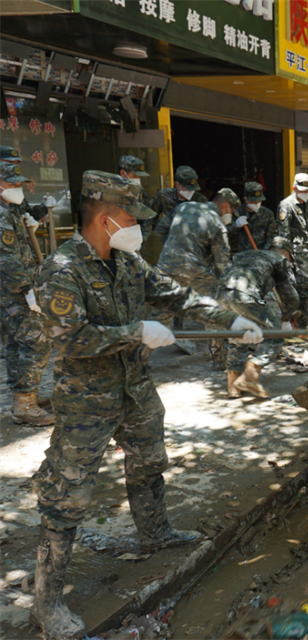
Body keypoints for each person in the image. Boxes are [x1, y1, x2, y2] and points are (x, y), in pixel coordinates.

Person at [29, 171, 263, 640]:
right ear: (105, 217)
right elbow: (69, 338)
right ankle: (47, 602)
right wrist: (134, 333)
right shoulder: (62, 268)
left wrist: (231, 319)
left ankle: (154, 534)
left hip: (134, 388)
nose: (137, 224)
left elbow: (177, 294)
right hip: (87, 401)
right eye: (130, 216)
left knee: (148, 461)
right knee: (66, 495)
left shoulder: (127, 262)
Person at [156, 191, 234, 369]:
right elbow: (222, 264)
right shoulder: (217, 225)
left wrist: (174, 248)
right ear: (225, 206)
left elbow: (160, 229)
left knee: (160, 317)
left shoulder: (184, 207)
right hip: (195, 271)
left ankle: (138, 363)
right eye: (231, 210)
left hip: (166, 267)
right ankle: (219, 361)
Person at [0, 163, 53, 425]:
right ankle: (24, 403)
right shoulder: (0, 215)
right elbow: (6, 260)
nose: (17, 187)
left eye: (19, 183)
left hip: (11, 288)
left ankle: (22, 397)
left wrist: (38, 214)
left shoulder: (9, 209)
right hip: (12, 289)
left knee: (16, 343)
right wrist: (27, 290)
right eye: (12, 183)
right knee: (37, 341)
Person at [218, 237, 301, 398]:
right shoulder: (279, 260)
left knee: (238, 336)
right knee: (274, 335)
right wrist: (285, 320)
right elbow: (290, 296)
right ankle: (250, 375)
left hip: (222, 295)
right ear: (285, 254)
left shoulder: (244, 255)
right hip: (246, 295)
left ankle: (233, 387)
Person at [277, 173, 308, 318]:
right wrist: (287, 257)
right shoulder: (286, 206)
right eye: (302, 191)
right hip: (296, 254)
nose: (305, 194)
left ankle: (301, 320)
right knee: (302, 289)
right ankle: (304, 322)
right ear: (294, 188)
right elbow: (283, 234)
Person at [149, 165, 206, 240]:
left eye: (192, 188)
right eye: (186, 188)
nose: (190, 191)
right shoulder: (164, 196)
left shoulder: (200, 201)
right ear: (176, 184)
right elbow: (150, 217)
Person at [0, 146, 57, 220]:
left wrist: (45, 207)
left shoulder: (13, 192)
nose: (15, 166)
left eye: (17, 163)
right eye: (10, 163)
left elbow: (28, 214)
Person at [232, 181, 279, 252]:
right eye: (253, 201)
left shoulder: (268, 214)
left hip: (262, 254)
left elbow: (272, 236)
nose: (257, 203)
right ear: (245, 199)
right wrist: (235, 226)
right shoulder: (237, 213)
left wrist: (264, 253)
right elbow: (227, 235)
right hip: (241, 255)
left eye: (259, 200)